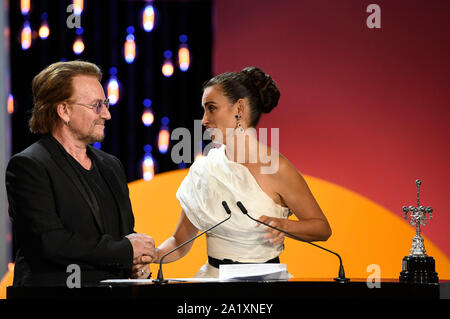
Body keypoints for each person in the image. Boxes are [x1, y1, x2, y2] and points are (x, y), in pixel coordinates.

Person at [151, 67, 332, 277]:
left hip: (265, 284)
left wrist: (284, 225)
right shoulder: (203, 170)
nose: (204, 120)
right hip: (213, 283)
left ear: (239, 108)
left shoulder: (278, 168)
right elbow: (180, 242)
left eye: (211, 108)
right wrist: (154, 255)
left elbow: (321, 228)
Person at [5, 61, 155, 286]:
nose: (106, 114)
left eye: (105, 104)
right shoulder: (29, 166)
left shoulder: (111, 166)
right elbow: (51, 243)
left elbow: (123, 235)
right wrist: (125, 251)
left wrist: (137, 263)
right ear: (63, 110)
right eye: (97, 105)